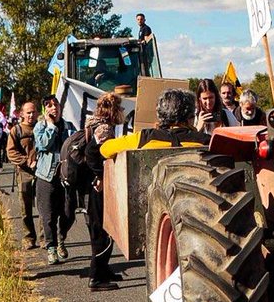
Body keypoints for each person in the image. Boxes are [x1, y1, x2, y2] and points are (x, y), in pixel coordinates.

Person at [80, 91, 125, 291]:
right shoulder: (104, 128)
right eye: (119, 107)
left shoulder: (96, 124)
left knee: (106, 228)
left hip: (96, 186)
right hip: (98, 187)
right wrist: (100, 175)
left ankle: (104, 270)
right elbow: (91, 153)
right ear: (112, 110)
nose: (122, 111)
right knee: (101, 230)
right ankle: (95, 277)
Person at [100, 89, 211, 158]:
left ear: (160, 115)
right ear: (190, 117)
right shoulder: (208, 142)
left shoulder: (144, 138)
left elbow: (104, 149)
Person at [33, 94, 74, 264]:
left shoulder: (69, 126)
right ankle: (51, 247)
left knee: (68, 213)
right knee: (48, 215)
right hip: (46, 176)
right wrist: (50, 125)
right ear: (45, 109)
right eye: (49, 105)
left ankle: (61, 239)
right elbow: (43, 144)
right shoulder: (40, 127)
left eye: (55, 104)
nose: (53, 108)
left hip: (65, 177)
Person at [6, 100, 41, 249]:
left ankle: (45, 239)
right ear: (22, 114)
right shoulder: (17, 130)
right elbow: (11, 152)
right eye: (28, 112)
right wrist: (26, 161)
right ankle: (29, 238)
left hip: (42, 173)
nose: (31, 115)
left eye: (33, 112)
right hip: (24, 173)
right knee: (25, 209)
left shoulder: (42, 127)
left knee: (43, 208)